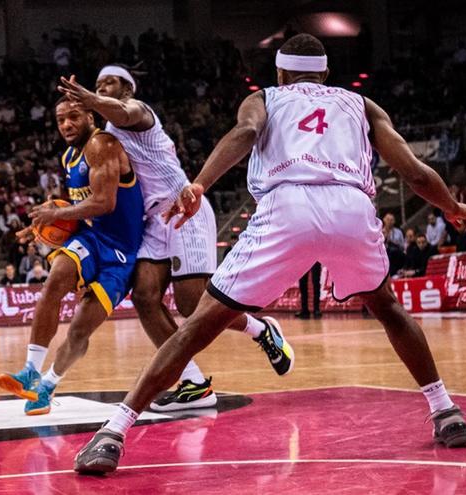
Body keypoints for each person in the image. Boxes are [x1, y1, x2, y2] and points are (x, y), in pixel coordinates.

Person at [74, 34, 466, 474]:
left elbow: (245, 133)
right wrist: (452, 208)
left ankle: (113, 432)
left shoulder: (265, 97)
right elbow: (414, 172)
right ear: (325, 74)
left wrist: (199, 183)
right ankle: (445, 410)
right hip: (351, 206)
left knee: (200, 322)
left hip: (289, 207)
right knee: (388, 308)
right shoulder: (361, 105)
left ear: (281, 73)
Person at [58, 66, 292, 411]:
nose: (102, 87)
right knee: (145, 297)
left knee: (190, 304)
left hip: (184, 208)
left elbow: (122, 111)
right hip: (153, 220)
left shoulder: (138, 112)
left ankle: (261, 330)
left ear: (127, 87)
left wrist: (93, 99)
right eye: (97, 85)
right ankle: (194, 383)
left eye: (109, 82)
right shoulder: (103, 136)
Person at [0, 98, 145, 415]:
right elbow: (79, 209)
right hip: (91, 237)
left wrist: (53, 213)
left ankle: (47, 386)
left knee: (80, 330)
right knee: (54, 280)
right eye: (60, 119)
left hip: (120, 253)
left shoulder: (103, 144)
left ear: (90, 116)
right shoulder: (68, 156)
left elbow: (104, 202)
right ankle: (30, 371)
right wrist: (40, 223)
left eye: (73, 117)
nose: (66, 124)